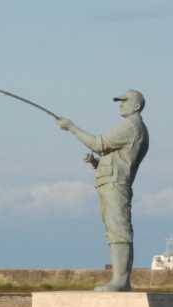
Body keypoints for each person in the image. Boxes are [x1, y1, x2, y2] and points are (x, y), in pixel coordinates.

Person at [56, 90, 149, 292]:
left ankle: (120, 281)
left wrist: (71, 127)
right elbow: (120, 160)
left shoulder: (130, 126)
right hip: (112, 182)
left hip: (116, 184)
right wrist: (96, 164)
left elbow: (99, 144)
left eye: (125, 101)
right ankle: (120, 280)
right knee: (114, 231)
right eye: (120, 101)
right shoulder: (134, 127)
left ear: (136, 106)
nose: (120, 104)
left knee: (118, 229)